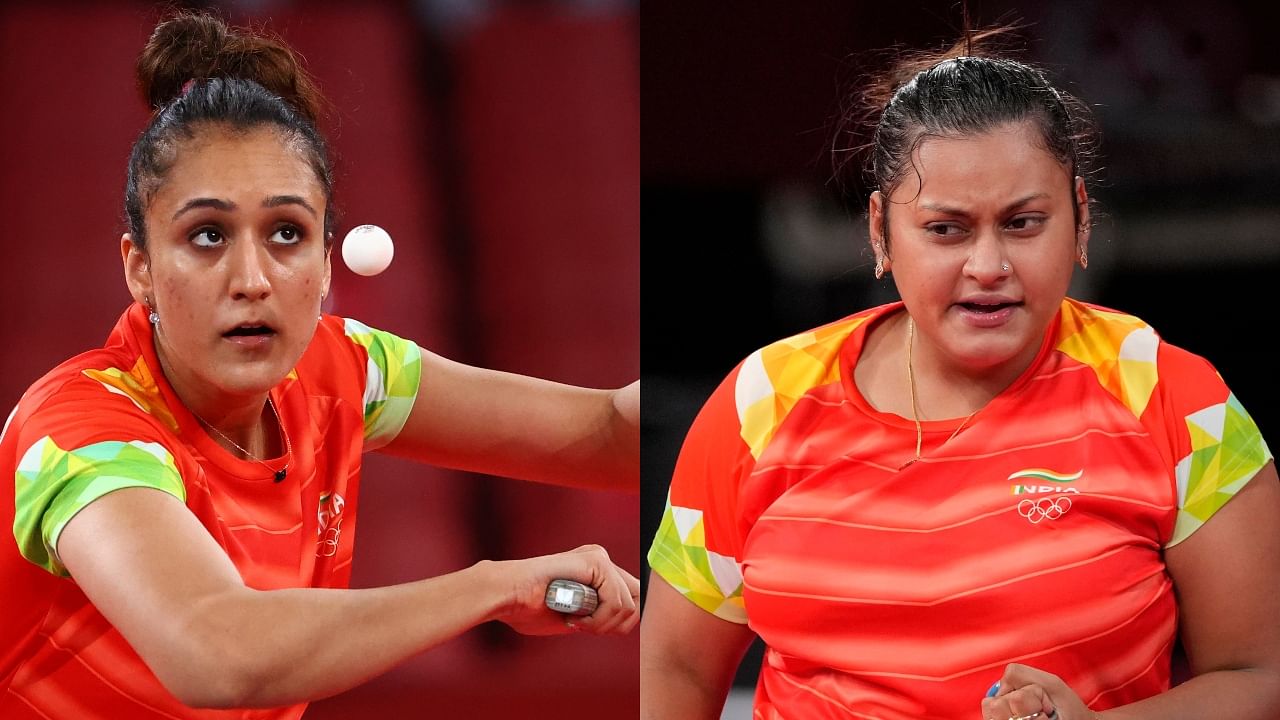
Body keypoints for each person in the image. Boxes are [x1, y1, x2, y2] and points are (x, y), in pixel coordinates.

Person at [0, 11, 639, 719]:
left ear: (326, 260)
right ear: (140, 268)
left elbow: (610, 432)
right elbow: (217, 652)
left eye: (286, 233)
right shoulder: (79, 432)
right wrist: (494, 589)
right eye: (207, 235)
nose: (252, 277)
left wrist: (756, 391)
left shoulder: (341, 373)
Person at [641, 30, 1280, 720]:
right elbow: (674, 664)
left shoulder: (1172, 397)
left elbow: (1259, 676)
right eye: (946, 229)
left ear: (1081, 218)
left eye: (1023, 223)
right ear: (881, 232)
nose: (987, 266)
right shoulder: (761, 403)